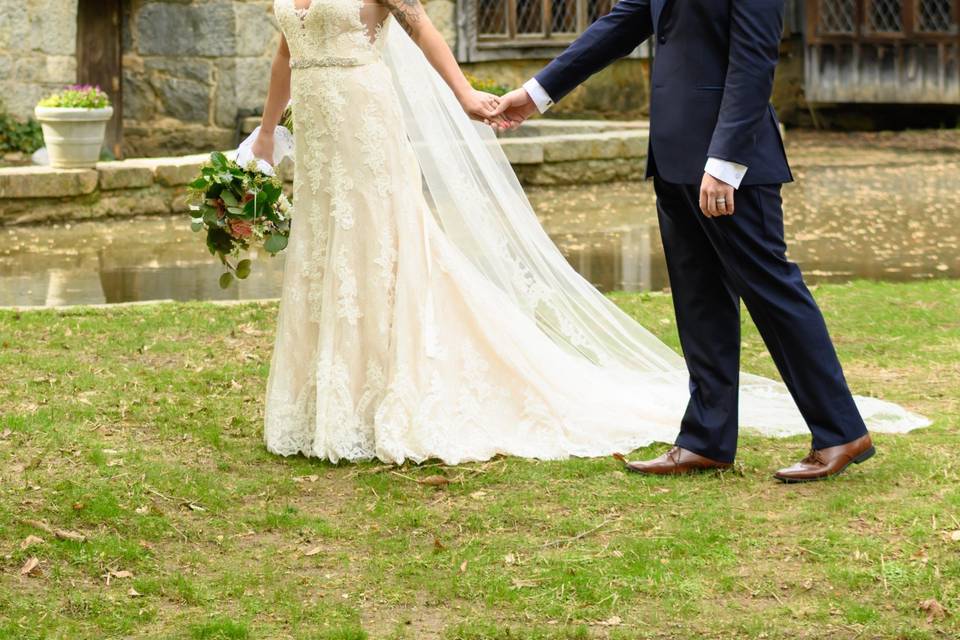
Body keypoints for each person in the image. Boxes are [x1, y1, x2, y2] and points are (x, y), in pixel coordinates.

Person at [249, 0, 928, 474]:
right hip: (672, 155)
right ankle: (707, 439)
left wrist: (726, 160)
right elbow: (620, 24)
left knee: (770, 288)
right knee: (698, 301)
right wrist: (537, 94)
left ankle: (841, 431)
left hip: (730, 162)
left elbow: (754, 61)